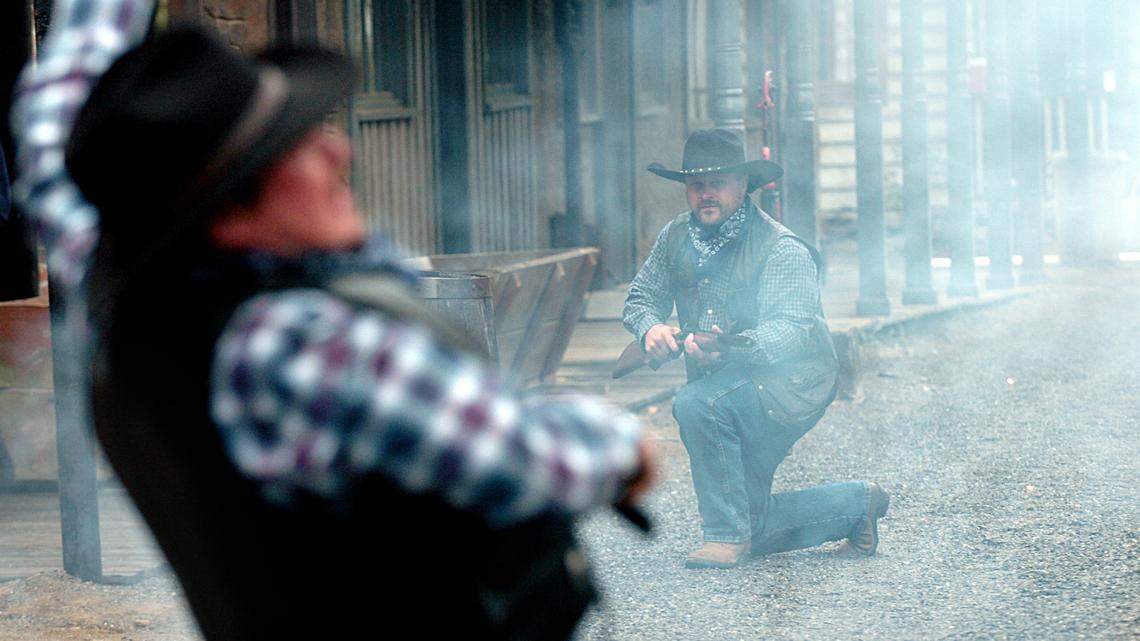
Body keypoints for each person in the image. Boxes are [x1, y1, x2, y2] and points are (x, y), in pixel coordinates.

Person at [64, 27, 653, 639]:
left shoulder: (155, 317)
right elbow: (534, 459)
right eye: (294, 143)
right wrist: (623, 441)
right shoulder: (295, 343)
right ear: (230, 213)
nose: (339, 150)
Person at [623, 128, 888, 569]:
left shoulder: (781, 247)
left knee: (696, 403)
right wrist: (650, 328)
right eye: (696, 185)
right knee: (755, 520)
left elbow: (792, 329)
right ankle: (857, 504)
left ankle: (725, 536)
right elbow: (641, 298)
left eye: (717, 183)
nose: (705, 194)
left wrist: (728, 348)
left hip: (792, 382)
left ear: (743, 185)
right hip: (731, 381)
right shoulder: (675, 238)